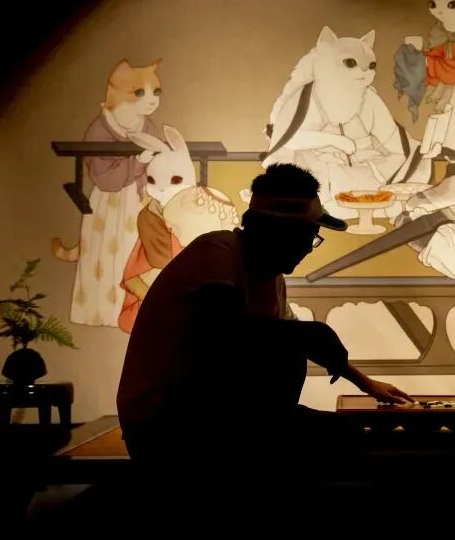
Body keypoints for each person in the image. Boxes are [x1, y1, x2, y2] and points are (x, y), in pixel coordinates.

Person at [116, 163, 412, 471]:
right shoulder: (216, 255)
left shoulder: (272, 279)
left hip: (230, 420)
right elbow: (227, 340)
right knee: (339, 440)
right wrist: (309, 335)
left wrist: (366, 383)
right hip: (171, 428)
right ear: (279, 231)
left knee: (348, 435)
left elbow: (299, 337)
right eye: (309, 236)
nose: (310, 248)